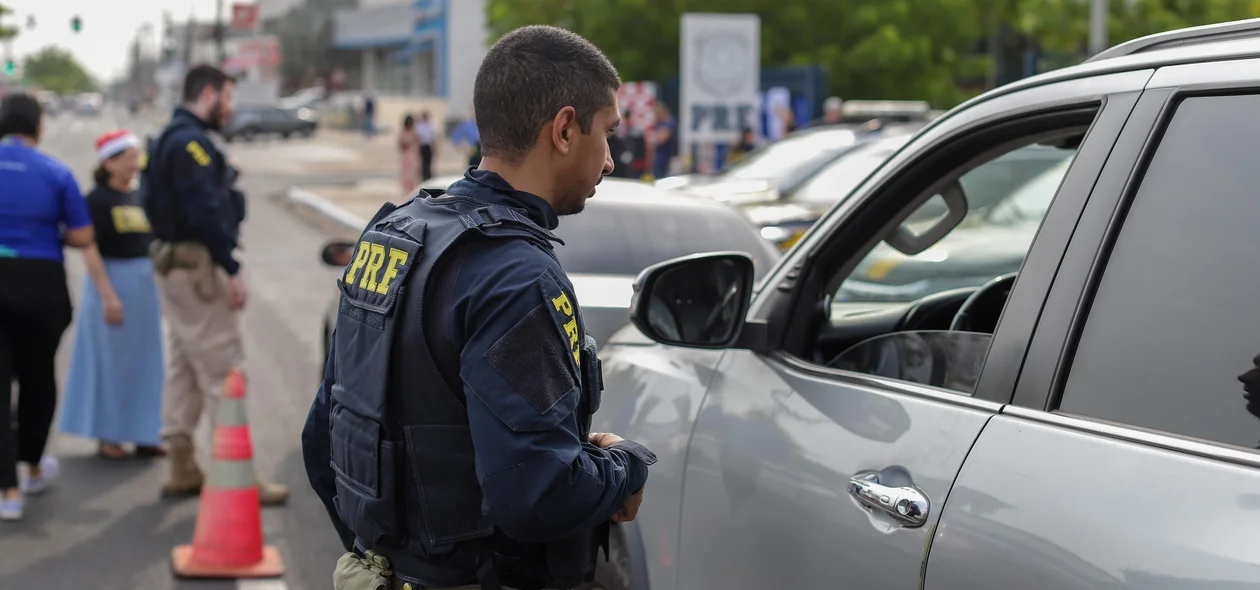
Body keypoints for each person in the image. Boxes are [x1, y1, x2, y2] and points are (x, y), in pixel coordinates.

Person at [303, 25, 656, 590]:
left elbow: (324, 440)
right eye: (608, 134)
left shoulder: (392, 235)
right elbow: (536, 495)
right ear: (564, 129)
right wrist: (625, 468)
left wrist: (392, 556)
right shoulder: (516, 276)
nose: (611, 161)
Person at [144, 64, 288, 505]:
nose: (231, 107)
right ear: (208, 95)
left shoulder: (172, 137)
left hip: (173, 265)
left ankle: (182, 464)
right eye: (227, 97)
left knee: (186, 365)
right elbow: (205, 210)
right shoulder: (192, 144)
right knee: (224, 370)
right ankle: (237, 475)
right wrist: (230, 266)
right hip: (198, 267)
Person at [0, 93, 105, 521]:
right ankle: (30, 466)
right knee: (39, 376)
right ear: (38, 126)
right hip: (41, 283)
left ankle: (7, 493)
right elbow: (82, 236)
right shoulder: (55, 172)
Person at [59, 130, 166, 460]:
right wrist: (108, 296)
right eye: (129, 158)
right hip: (112, 285)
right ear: (109, 162)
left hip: (143, 288)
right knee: (111, 365)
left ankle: (145, 434)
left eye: (138, 158)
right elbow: (89, 249)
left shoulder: (139, 196)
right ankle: (109, 436)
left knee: (146, 363)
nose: (136, 165)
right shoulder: (96, 200)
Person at [649, 101, 676, 180]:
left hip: (666, 158)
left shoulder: (669, 122)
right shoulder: (660, 123)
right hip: (659, 158)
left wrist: (654, 138)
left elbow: (662, 138)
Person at [398, 114, 421, 196]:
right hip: (407, 156)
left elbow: (418, 142)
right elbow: (401, 145)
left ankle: (412, 192)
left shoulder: (415, 133)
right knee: (406, 175)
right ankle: (406, 192)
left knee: (414, 175)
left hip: (414, 156)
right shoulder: (403, 133)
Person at [415, 111, 436, 181]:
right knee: (423, 162)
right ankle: (424, 176)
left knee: (428, 161)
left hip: (428, 145)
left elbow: (432, 136)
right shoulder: (420, 125)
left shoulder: (430, 125)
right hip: (422, 145)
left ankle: (428, 175)